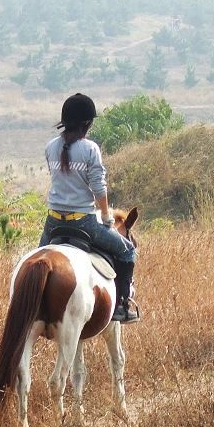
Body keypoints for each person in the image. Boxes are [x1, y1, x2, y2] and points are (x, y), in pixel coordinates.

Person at [39, 93, 140, 324]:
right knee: (127, 252)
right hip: (82, 222)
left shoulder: (50, 147)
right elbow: (98, 187)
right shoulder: (90, 149)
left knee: (34, 262)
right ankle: (122, 306)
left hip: (53, 221)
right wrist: (105, 216)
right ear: (88, 123)